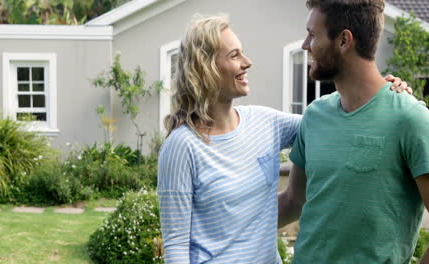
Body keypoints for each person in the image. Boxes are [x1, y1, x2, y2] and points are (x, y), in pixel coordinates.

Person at [158, 14, 412, 264]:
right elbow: (176, 245)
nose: (247, 62)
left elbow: (336, 124)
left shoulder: (266, 123)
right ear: (205, 67)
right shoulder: (182, 146)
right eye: (234, 55)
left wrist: (381, 94)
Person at [278, 1, 429, 263]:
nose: (305, 45)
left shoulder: (410, 118)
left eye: (313, 35)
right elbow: (293, 200)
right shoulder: (314, 116)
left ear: (344, 40)